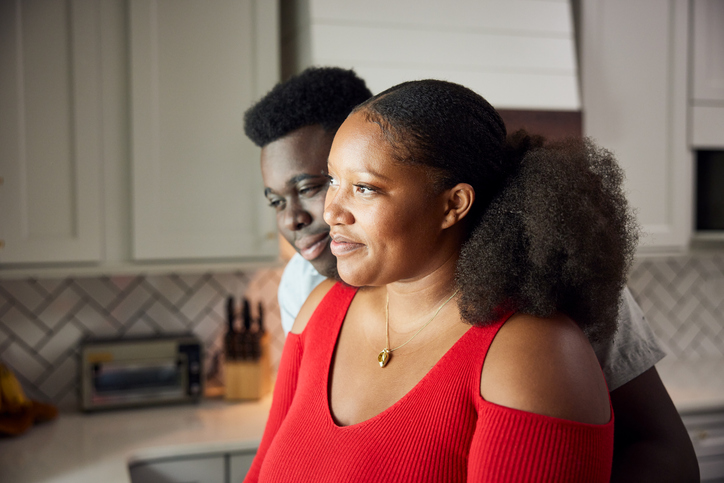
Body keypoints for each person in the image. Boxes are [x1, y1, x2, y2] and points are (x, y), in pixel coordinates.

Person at [244, 68, 699, 481]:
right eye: (331, 181)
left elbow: (661, 446)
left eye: (359, 187)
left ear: (452, 204)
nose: (323, 213)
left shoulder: (543, 319)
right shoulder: (311, 300)